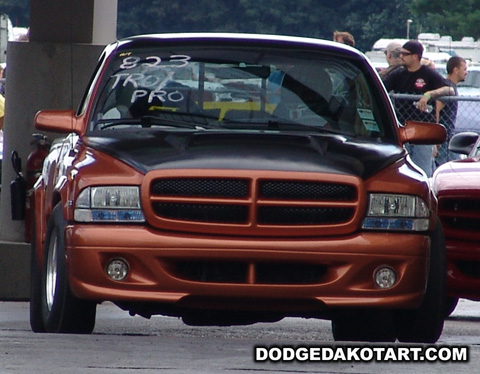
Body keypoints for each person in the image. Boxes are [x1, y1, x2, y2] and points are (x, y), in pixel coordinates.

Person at [383, 40, 454, 177]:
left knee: (423, 170)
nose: (401, 56)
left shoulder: (428, 73)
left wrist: (429, 94)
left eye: (405, 54)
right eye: (400, 53)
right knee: (402, 170)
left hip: (423, 131)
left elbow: (449, 89)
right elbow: (381, 86)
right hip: (403, 129)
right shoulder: (398, 73)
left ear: (415, 56)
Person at [434, 56, 468, 167]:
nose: (466, 73)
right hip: (444, 139)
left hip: (448, 138)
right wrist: (437, 136)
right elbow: (436, 109)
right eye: (464, 69)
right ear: (455, 70)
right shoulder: (447, 87)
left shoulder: (451, 86)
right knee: (454, 168)